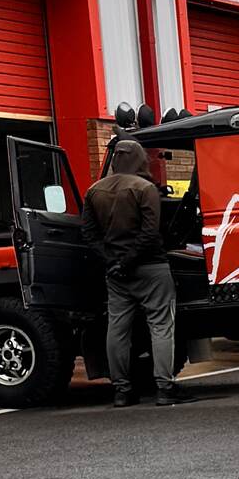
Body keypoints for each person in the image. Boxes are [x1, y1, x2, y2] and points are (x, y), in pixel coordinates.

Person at [82, 138, 185, 406]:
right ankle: (164, 387)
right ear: (139, 159)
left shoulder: (94, 191)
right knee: (161, 325)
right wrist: (128, 261)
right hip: (151, 267)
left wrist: (113, 262)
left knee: (117, 328)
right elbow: (150, 232)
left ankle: (122, 391)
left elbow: (89, 235)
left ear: (115, 160)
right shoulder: (145, 188)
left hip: (116, 274)